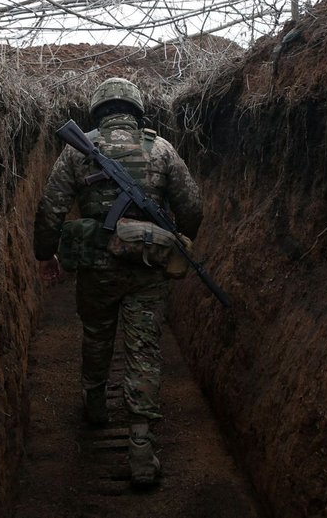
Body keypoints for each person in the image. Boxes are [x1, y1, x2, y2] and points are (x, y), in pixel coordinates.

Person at [33, 77, 203, 485]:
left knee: (96, 333)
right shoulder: (160, 149)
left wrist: (45, 254)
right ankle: (141, 447)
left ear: (98, 110)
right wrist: (174, 236)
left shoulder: (77, 153)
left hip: (96, 267)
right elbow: (191, 206)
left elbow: (50, 208)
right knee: (143, 348)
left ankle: (95, 405)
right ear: (136, 109)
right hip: (147, 268)